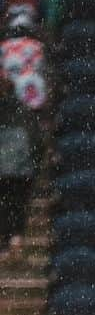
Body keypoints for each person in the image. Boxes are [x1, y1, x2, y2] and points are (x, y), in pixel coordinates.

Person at [0, 74, 42, 258]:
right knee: (18, 204)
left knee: (4, 204)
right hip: (22, 165)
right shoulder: (24, 110)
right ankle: (16, 236)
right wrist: (34, 162)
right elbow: (36, 139)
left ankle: (5, 242)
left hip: (4, 164)